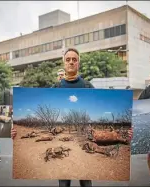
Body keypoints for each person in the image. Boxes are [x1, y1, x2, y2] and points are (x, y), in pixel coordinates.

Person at [11, 48, 133, 187]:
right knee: (64, 183)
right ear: (64, 63)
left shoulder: (88, 86)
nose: (71, 62)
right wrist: (13, 131)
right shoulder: (55, 87)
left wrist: (128, 131)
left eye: (74, 60)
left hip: (86, 141)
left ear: (78, 64)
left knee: (86, 181)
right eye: (68, 60)